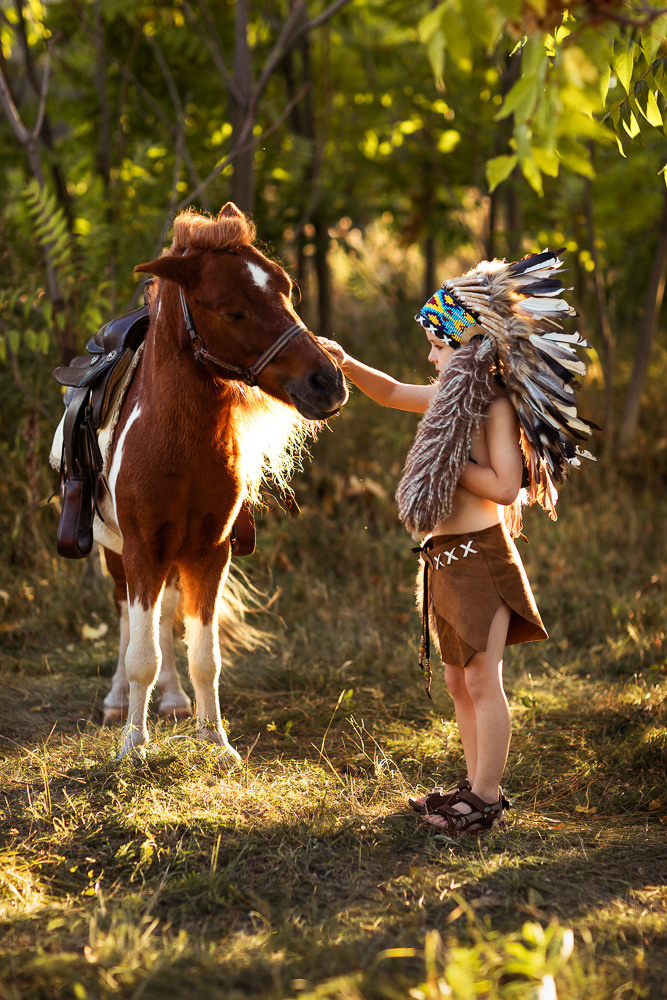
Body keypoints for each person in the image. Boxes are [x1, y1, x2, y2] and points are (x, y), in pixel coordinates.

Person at [319, 250, 596, 836]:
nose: (431, 357)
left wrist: (449, 461)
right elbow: (392, 392)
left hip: (481, 558)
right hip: (443, 559)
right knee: (456, 681)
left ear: (469, 346)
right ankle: (472, 785)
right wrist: (346, 362)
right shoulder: (450, 400)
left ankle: (486, 799)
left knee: (481, 679)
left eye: (438, 346)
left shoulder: (493, 408)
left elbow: (505, 486)